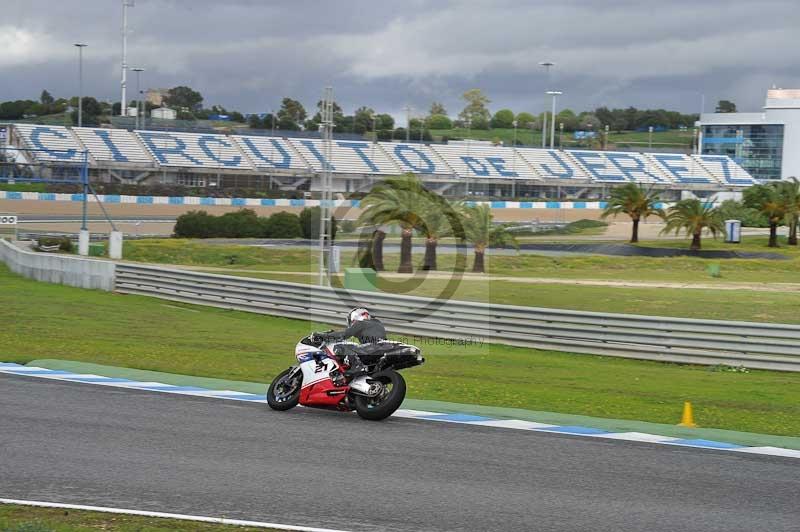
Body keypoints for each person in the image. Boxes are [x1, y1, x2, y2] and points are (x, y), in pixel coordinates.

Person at [316, 308, 386, 378]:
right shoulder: (377, 323)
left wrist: (324, 336)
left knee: (341, 347)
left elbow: (344, 334)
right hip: (384, 348)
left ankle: (357, 366)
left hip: (372, 348)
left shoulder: (360, 323)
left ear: (355, 317)